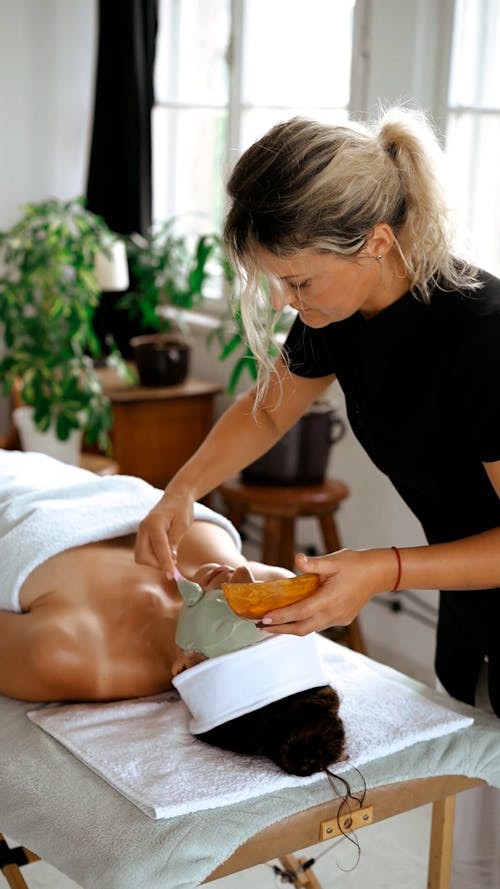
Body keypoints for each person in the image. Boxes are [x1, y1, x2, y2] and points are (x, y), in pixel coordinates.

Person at [135, 107, 500, 886]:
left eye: (300, 280)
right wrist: (180, 490)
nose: (288, 301)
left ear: (376, 239)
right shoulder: (348, 311)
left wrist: (383, 568)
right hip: (479, 615)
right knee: (478, 851)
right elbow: (271, 404)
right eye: (277, 280)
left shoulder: (484, 342)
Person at [0, 449, 345, 778]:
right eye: (264, 596)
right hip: (36, 468)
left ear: (187, 666)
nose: (244, 574)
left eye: (239, 611)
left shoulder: (68, 653)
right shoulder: (255, 575)